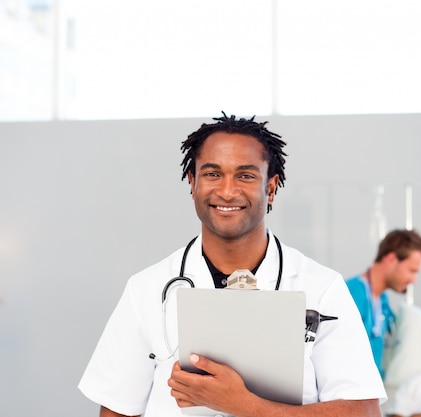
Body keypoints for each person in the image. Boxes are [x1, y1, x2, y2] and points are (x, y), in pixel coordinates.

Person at [78, 113, 387, 417]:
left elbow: (365, 412)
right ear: (192, 183)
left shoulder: (322, 288)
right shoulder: (145, 290)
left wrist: (243, 404)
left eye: (246, 175)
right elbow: (117, 411)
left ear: (271, 187)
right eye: (213, 174)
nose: (227, 191)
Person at [346, 229, 421, 377]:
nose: (414, 280)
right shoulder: (350, 294)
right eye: (412, 271)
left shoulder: (382, 301)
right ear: (391, 259)